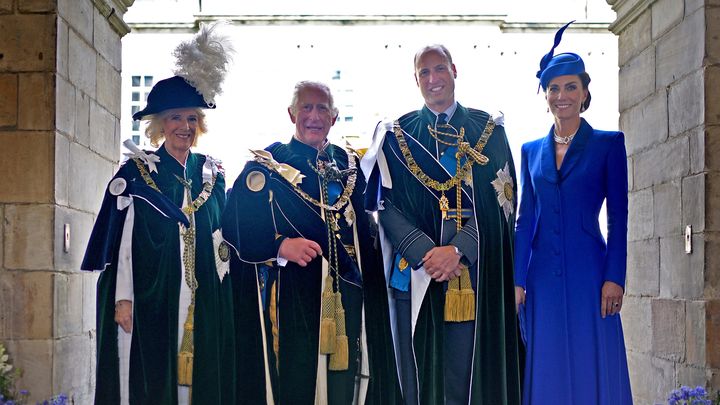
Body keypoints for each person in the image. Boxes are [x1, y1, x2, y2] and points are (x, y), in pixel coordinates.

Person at [81, 24, 235, 405]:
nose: (184, 126)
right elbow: (124, 246)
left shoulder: (214, 174)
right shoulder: (137, 174)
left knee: (201, 381)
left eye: (191, 118)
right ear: (159, 125)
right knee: (154, 380)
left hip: (207, 300)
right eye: (175, 118)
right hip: (154, 299)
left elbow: (225, 237)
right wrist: (123, 299)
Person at [361, 44, 521, 405]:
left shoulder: (489, 131)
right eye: (424, 73)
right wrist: (426, 253)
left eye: (439, 69)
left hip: (473, 277)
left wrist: (459, 251)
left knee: (465, 376)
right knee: (417, 376)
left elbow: (505, 204)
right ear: (415, 79)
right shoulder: (396, 133)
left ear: (454, 70)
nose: (433, 79)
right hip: (416, 274)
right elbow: (384, 206)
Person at [222, 81, 400, 404]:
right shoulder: (269, 164)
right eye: (306, 107)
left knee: (347, 383)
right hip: (294, 294)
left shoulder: (350, 166)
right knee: (298, 382)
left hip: (349, 294)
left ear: (334, 117)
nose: (314, 116)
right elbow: (235, 225)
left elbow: (367, 232)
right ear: (292, 113)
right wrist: (279, 247)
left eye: (322, 109)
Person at [513, 22, 632, 404]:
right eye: (553, 88)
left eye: (570, 87)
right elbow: (525, 220)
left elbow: (618, 218)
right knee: (547, 364)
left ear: (584, 93)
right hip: (542, 279)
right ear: (545, 95)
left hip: (591, 276)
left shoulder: (608, 145)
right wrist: (517, 280)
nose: (561, 95)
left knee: (591, 359)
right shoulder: (530, 151)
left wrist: (615, 276)